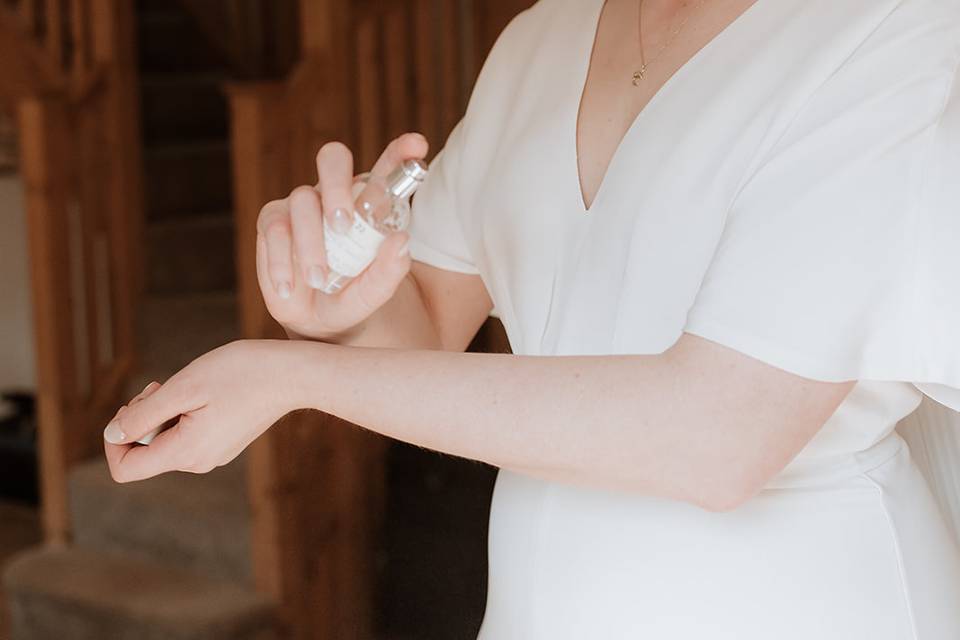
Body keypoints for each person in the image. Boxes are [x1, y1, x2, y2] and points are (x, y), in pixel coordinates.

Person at [103, 0, 960, 637]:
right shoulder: (539, 37)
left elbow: (720, 436)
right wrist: (343, 293)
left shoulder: (888, 26)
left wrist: (294, 375)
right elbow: (428, 327)